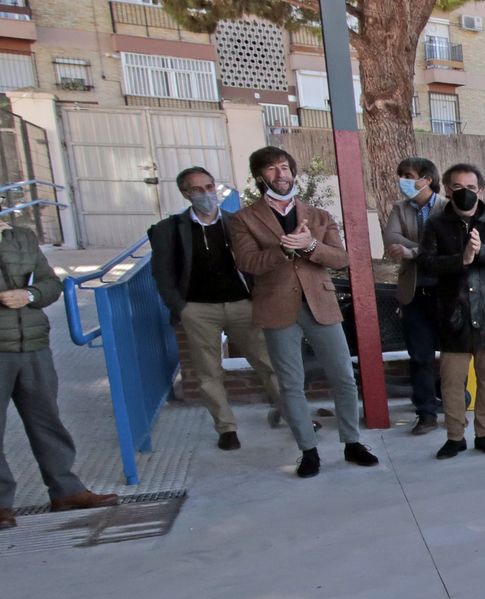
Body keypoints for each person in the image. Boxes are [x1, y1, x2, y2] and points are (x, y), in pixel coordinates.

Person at [228, 147, 378, 478]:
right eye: (271, 169)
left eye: (285, 167)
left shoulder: (319, 215)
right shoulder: (243, 219)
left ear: (293, 173)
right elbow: (247, 263)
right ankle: (308, 451)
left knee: (343, 376)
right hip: (277, 309)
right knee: (291, 383)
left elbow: (341, 259)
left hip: (320, 305)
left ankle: (352, 442)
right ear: (259, 177)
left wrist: (310, 246)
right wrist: (283, 249)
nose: (281, 174)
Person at [149, 165, 282, 450]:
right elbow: (162, 274)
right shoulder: (169, 230)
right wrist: (181, 308)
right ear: (185, 193)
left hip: (241, 305)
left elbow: (257, 263)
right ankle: (226, 428)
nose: (206, 194)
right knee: (209, 372)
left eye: (209, 187)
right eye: (197, 189)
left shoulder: (237, 223)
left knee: (268, 362)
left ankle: (292, 412)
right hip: (198, 310)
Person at [0, 223, 120, 527]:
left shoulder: (21, 236)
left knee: (47, 421)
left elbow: (49, 284)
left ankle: (66, 490)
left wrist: (29, 294)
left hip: (34, 345)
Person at [418, 163, 485, 460]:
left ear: (481, 190)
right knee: (452, 379)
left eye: (471, 188)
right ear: (449, 190)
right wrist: (461, 258)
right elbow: (425, 263)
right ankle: (455, 436)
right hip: (454, 314)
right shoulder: (436, 225)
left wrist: (482, 252)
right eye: (459, 188)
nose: (466, 193)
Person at [380, 156, 449, 436]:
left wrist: (413, 252)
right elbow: (391, 239)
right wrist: (426, 248)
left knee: (452, 355)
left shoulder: (447, 208)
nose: (403, 181)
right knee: (420, 356)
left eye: (408, 175)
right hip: (414, 293)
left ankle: (453, 401)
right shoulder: (400, 208)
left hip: (445, 292)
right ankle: (426, 414)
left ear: (427, 179)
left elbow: (449, 246)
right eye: (401, 175)